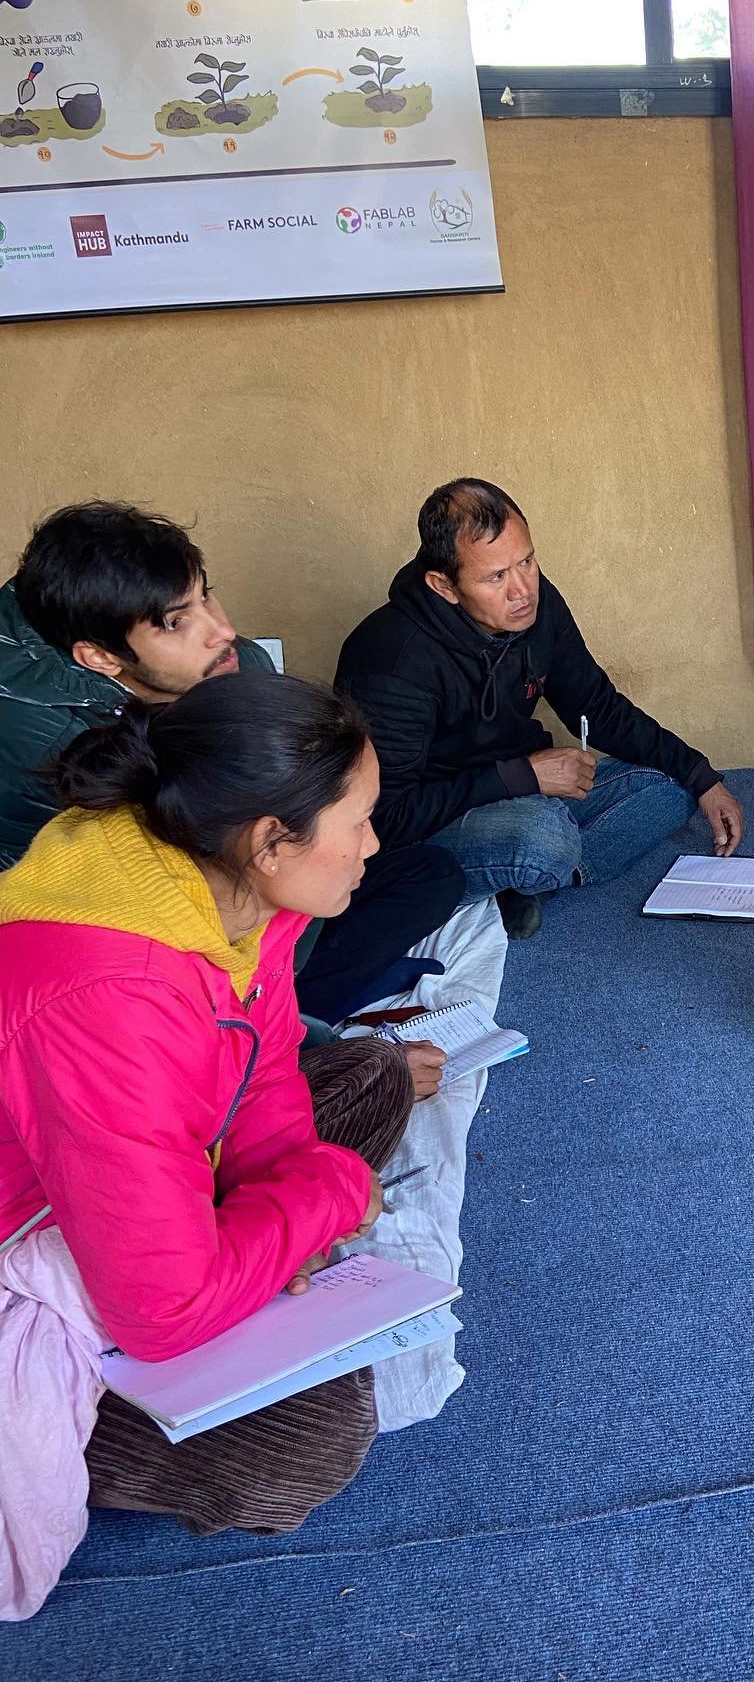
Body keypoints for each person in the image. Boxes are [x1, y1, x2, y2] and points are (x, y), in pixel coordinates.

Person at [0, 671, 425, 1573]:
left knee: (371, 1076)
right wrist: (332, 1194)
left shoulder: (221, 878)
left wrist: (292, 1197)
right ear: (273, 840)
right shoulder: (111, 993)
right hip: (34, 1235)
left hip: (128, 1165)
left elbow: (265, 1067)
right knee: (311, 1447)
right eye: (358, 822)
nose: (373, 844)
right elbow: (163, 1310)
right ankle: (89, 1438)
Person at [0, 502, 463, 1022]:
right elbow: (82, 906)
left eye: (205, 595)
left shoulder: (240, 664)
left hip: (262, 874)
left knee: (433, 872)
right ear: (102, 658)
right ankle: (282, 1020)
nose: (220, 631)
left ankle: (297, 1003)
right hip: (178, 930)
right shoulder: (50, 745)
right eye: (176, 623)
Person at [335, 479, 746, 939]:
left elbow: (597, 705)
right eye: (496, 577)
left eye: (526, 562)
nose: (522, 590)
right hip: (439, 818)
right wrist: (522, 777)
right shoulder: (392, 660)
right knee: (541, 836)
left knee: (669, 785)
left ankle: (523, 879)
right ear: (443, 585)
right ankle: (526, 867)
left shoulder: (535, 603)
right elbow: (386, 817)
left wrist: (702, 777)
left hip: (527, 791)